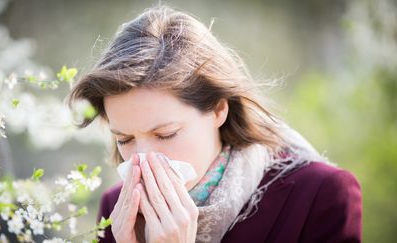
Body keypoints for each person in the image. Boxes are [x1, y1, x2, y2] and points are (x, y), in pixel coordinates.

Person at [67, 5, 362, 243]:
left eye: (165, 134)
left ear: (219, 109)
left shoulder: (319, 195)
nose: (142, 160)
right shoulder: (117, 211)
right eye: (125, 139)